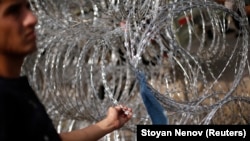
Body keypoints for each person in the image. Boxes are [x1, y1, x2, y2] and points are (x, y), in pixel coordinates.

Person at [0, 0, 133, 140]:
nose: (32, 19)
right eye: (13, 11)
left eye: (28, 7)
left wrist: (109, 124)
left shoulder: (14, 89)